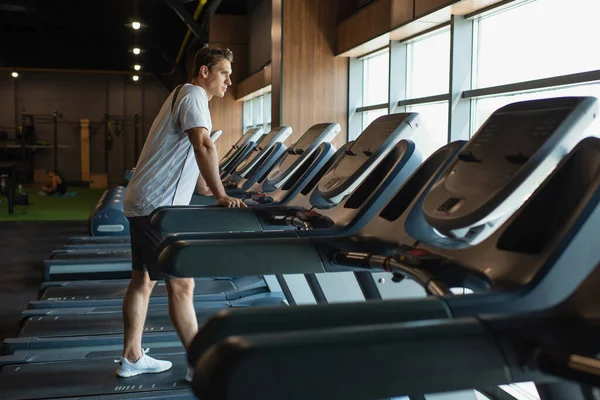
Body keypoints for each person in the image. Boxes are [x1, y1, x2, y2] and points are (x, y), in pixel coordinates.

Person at [117, 47, 246, 382]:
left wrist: (207, 188)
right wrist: (221, 195)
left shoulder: (185, 96)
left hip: (144, 199)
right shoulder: (193, 95)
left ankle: (132, 357)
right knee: (182, 284)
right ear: (204, 71)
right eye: (224, 73)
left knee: (143, 279)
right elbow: (203, 144)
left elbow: (190, 151)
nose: (228, 80)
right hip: (155, 205)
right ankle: (199, 364)